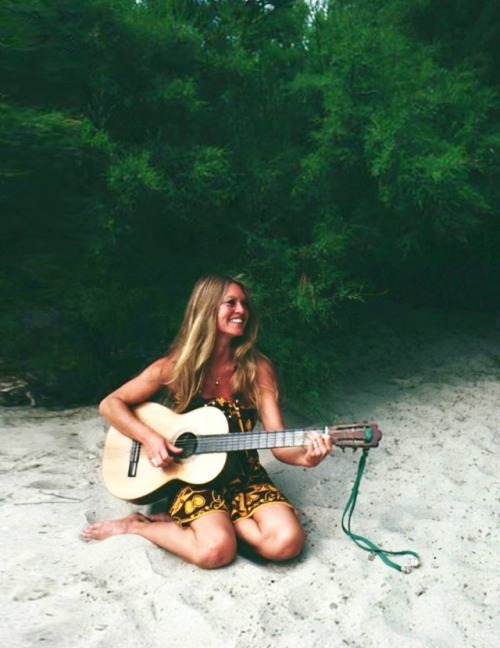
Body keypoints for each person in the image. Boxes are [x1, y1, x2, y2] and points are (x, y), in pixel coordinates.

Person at [82, 274, 332, 568]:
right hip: (191, 479)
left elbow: (277, 441)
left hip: (245, 478)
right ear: (206, 309)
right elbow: (110, 404)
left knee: (286, 543)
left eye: (244, 304)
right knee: (215, 553)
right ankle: (139, 524)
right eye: (231, 303)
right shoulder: (175, 368)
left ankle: (218, 524)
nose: (241, 310)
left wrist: (307, 458)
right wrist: (149, 438)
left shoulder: (258, 368)